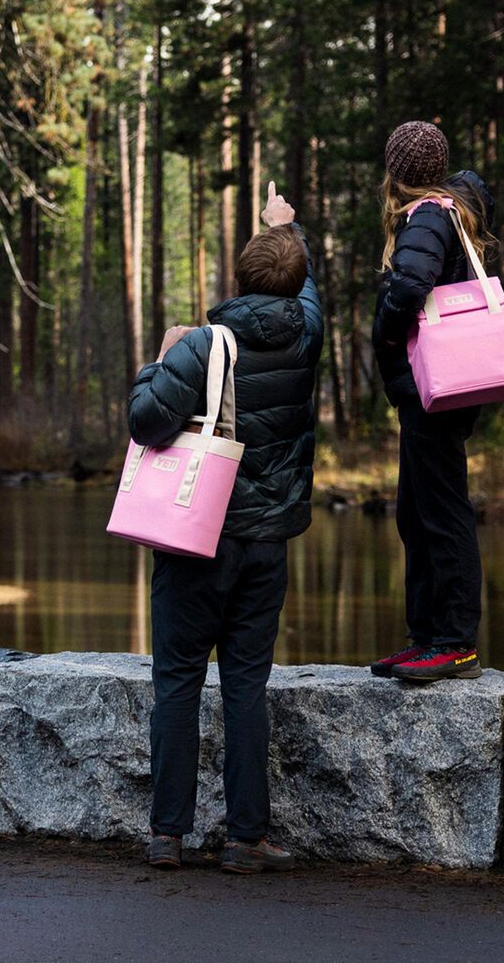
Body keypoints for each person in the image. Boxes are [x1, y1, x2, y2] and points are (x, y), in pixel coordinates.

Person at [127, 182, 323, 873]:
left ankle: (167, 835)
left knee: (177, 681)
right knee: (245, 684)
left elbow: (145, 422)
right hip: (266, 543)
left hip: (195, 539)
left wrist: (159, 355)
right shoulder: (305, 333)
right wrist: (290, 229)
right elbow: (309, 296)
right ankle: (246, 839)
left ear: (237, 279)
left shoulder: (207, 343)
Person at [369, 120, 496, 684]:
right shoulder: (449, 212)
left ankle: (455, 642)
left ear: (397, 173)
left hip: (434, 389)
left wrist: (388, 333)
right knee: (416, 512)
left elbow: (413, 282)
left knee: (441, 512)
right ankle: (427, 637)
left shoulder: (427, 216)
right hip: (431, 390)